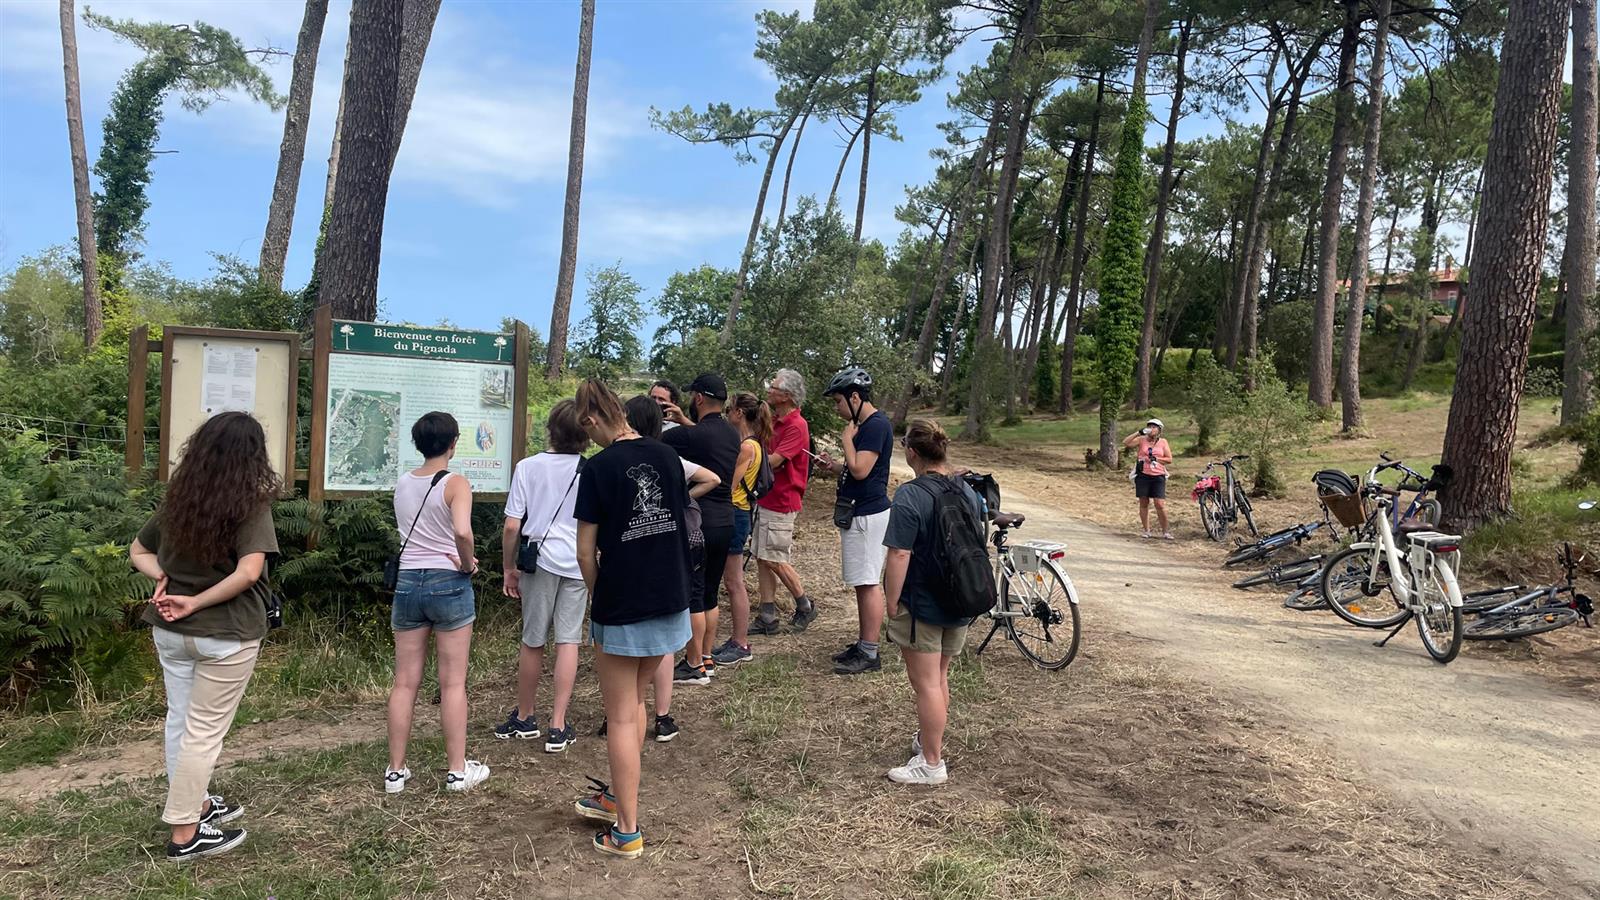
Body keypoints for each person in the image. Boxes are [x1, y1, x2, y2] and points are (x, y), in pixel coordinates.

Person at [129, 412, 280, 862]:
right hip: (227, 633)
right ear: (253, 456)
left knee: (180, 722)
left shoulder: (179, 501)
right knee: (204, 733)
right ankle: (185, 834)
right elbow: (248, 572)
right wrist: (196, 602)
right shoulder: (250, 505)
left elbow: (138, 550)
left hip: (169, 630)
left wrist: (163, 577)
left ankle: (195, 804)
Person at [571, 379, 694, 859]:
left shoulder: (598, 468)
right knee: (636, 704)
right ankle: (618, 797)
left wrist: (597, 593)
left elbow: (585, 552)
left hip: (623, 603)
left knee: (621, 715)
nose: (590, 438)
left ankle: (626, 831)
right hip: (671, 596)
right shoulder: (667, 455)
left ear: (592, 419)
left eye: (588, 430)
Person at [385, 412, 489, 794]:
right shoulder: (456, 483)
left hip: (408, 582)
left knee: (404, 682)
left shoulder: (403, 483)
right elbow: (461, 530)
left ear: (417, 443)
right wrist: (467, 563)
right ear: (453, 443)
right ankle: (457, 771)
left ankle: (395, 772)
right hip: (448, 581)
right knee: (453, 682)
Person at [882, 419, 983, 786]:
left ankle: (931, 763)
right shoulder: (965, 490)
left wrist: (891, 601)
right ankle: (929, 740)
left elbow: (899, 554)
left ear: (911, 452)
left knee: (925, 683)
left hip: (921, 602)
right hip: (959, 597)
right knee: (938, 678)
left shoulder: (910, 495)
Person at [496, 400, 590, 752]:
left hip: (539, 561)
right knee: (568, 641)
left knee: (533, 639)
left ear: (551, 429)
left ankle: (525, 716)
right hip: (578, 562)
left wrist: (509, 568)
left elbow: (511, 526)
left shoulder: (528, 467)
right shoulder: (590, 470)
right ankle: (558, 725)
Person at [623, 395, 718, 739]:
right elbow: (712, 478)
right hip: (670, 552)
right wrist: (681, 501)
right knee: (663, 639)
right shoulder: (670, 458)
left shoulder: (618, 460)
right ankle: (662, 716)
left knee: (630, 638)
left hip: (632, 553)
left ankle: (623, 710)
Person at [660, 374, 740, 684]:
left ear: (698, 398)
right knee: (710, 593)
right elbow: (707, 440)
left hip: (699, 523)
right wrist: (684, 421)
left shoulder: (686, 437)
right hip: (726, 521)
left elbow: (652, 444)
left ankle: (693, 665)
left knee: (693, 593)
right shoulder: (731, 433)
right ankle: (706, 658)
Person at [818, 366, 894, 676]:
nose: (836, 408)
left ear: (854, 397)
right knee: (862, 583)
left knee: (868, 583)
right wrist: (834, 465)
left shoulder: (875, 426)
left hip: (868, 514)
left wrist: (847, 440)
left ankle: (870, 652)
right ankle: (864, 644)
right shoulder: (865, 425)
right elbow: (855, 468)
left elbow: (861, 470)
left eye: (838, 401)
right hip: (858, 511)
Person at [710, 391, 772, 667]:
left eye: (729, 410)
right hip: (740, 512)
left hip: (736, 513)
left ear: (739, 414)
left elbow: (729, 485)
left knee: (734, 582)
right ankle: (738, 640)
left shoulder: (747, 447)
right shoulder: (753, 443)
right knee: (732, 580)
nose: (726, 414)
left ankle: (741, 642)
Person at [752, 368, 815, 634]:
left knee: (774, 558)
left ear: (787, 395)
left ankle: (805, 605)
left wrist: (745, 459)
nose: (769, 390)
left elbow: (774, 461)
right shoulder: (775, 420)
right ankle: (767, 616)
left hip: (782, 499)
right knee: (762, 557)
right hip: (768, 498)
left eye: (774, 387)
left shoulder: (796, 425)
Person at [1122, 418, 1173, 540]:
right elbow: (1126, 442)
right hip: (1143, 474)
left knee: (1159, 504)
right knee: (1144, 502)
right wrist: (1138, 432)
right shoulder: (1142, 440)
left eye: (1154, 427)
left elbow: (1169, 459)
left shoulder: (1163, 442)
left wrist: (1156, 459)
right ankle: (1146, 530)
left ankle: (1165, 531)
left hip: (1158, 475)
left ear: (1159, 430)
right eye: (1149, 426)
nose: (1151, 429)